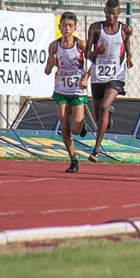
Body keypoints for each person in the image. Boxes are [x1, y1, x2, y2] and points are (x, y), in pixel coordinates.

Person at [85, 0, 133, 163]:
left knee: (105, 105)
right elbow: (86, 54)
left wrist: (130, 57)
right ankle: (108, 117)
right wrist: (97, 51)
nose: (110, 17)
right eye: (107, 13)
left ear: (119, 13)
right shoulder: (95, 28)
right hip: (98, 75)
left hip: (116, 76)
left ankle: (96, 150)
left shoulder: (125, 29)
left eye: (113, 14)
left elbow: (126, 44)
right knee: (99, 114)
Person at [44, 12, 90, 173]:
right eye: (64, 25)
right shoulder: (54, 46)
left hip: (77, 89)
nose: (67, 29)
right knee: (64, 126)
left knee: (75, 128)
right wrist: (50, 66)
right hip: (61, 89)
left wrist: (86, 76)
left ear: (75, 28)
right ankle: (73, 159)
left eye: (70, 26)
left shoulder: (81, 45)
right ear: (60, 27)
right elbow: (48, 69)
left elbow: (95, 61)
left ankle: (81, 125)